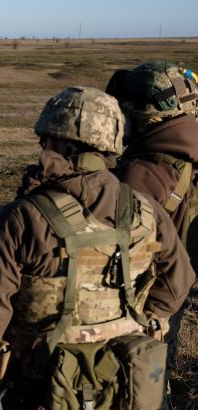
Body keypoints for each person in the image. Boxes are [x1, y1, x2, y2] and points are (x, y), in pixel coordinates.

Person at [0, 87, 195, 409]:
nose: (41, 146)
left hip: (34, 388)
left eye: (45, 138)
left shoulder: (23, 218)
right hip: (120, 384)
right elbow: (179, 280)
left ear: (60, 142)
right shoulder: (147, 210)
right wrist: (136, 322)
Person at [111, 61, 198, 386]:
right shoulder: (186, 150)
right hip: (174, 287)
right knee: (156, 371)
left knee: (133, 380)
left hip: (146, 296)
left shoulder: (145, 173)